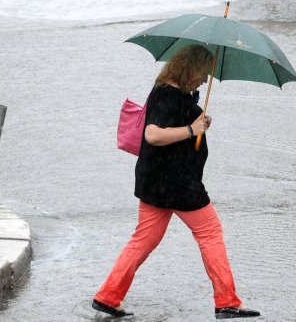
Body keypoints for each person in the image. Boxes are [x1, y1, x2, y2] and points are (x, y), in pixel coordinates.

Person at [92, 44, 260, 319]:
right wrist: (192, 129)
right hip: (178, 184)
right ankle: (226, 301)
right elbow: (153, 135)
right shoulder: (169, 95)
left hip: (155, 181)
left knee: (143, 240)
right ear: (191, 69)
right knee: (211, 234)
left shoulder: (172, 94)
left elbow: (175, 125)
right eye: (204, 73)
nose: (206, 79)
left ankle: (108, 297)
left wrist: (198, 121)